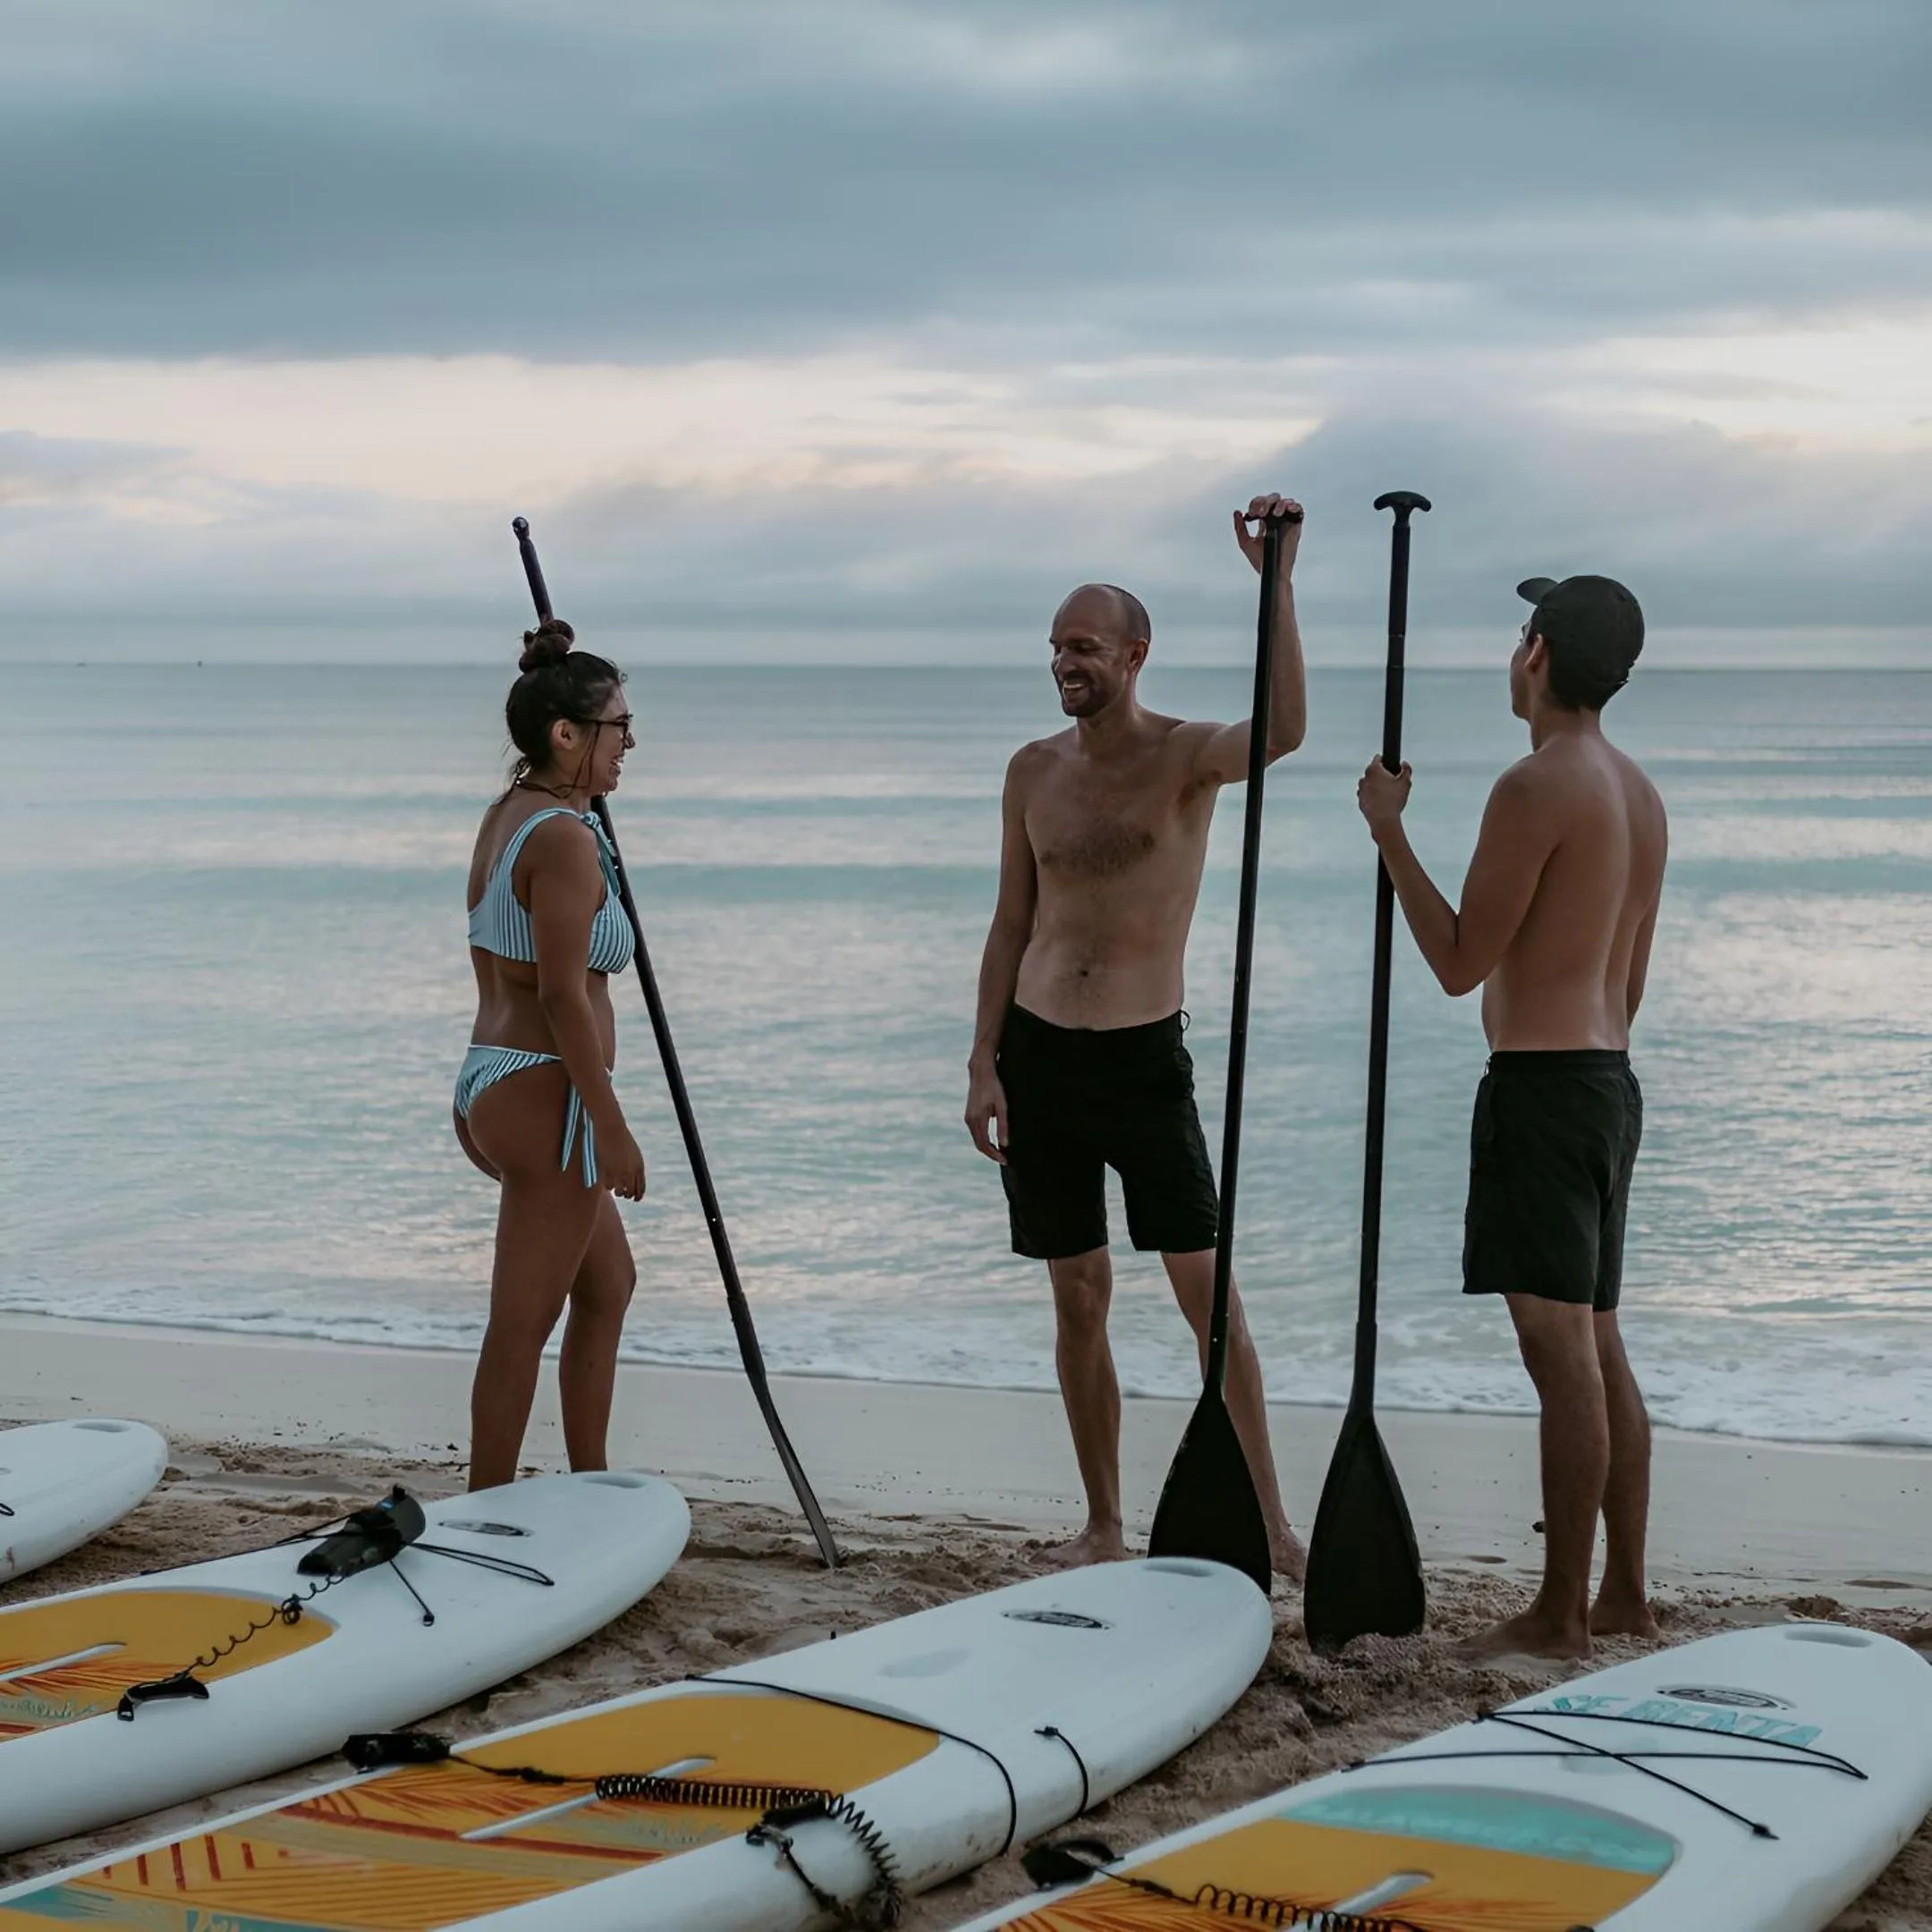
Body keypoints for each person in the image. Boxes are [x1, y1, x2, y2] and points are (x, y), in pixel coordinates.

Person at [965, 493, 1309, 1580]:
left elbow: (1286, 731)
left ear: (1134, 653)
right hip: (1039, 1056)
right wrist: (983, 1060)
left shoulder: (1185, 758)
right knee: (1078, 1293)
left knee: (1208, 1293)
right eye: (1056, 647)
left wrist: (1278, 584)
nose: (1065, 663)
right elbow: (1012, 919)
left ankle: (1273, 1522)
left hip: (1142, 1060)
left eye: (1084, 646)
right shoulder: (1032, 771)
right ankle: (1104, 1523)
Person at [1356, 573, 1665, 1659]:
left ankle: (1561, 1616)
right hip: (1608, 1084)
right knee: (1598, 1341)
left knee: (1558, 1352)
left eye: (1518, 633)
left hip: (1543, 1093)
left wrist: (1390, 833)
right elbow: (1627, 984)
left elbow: (1455, 962)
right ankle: (1624, 1592)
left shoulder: (1534, 786)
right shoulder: (1636, 791)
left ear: (1535, 655)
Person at [453, 616, 648, 1492]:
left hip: (495, 1081)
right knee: (522, 1323)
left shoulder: (515, 815)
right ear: (565, 734)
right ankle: (481, 1506)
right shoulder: (565, 840)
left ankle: (590, 1480)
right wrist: (610, 1126)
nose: (630, 742)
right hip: (548, 1098)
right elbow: (566, 995)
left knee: (607, 1287)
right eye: (617, 726)